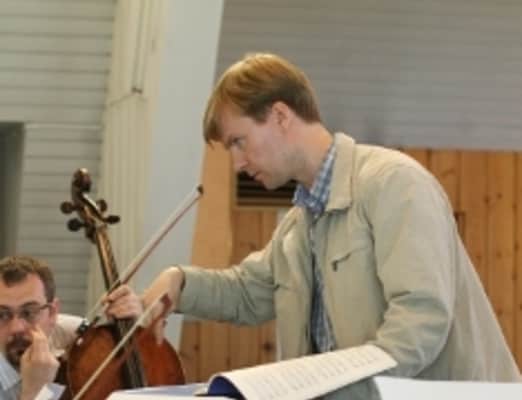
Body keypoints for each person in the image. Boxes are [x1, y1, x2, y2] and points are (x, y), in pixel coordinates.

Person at [141, 53, 521, 399]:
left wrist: (326, 392)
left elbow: (419, 324)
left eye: (239, 142)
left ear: (280, 116)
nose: (237, 163)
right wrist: (180, 283)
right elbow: (249, 291)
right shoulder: (298, 225)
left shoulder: (395, 184)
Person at [0, 255, 142, 400]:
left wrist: (127, 317)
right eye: (2, 314)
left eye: (29, 312)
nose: (16, 328)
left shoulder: (72, 332)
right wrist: (35, 391)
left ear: (52, 313)